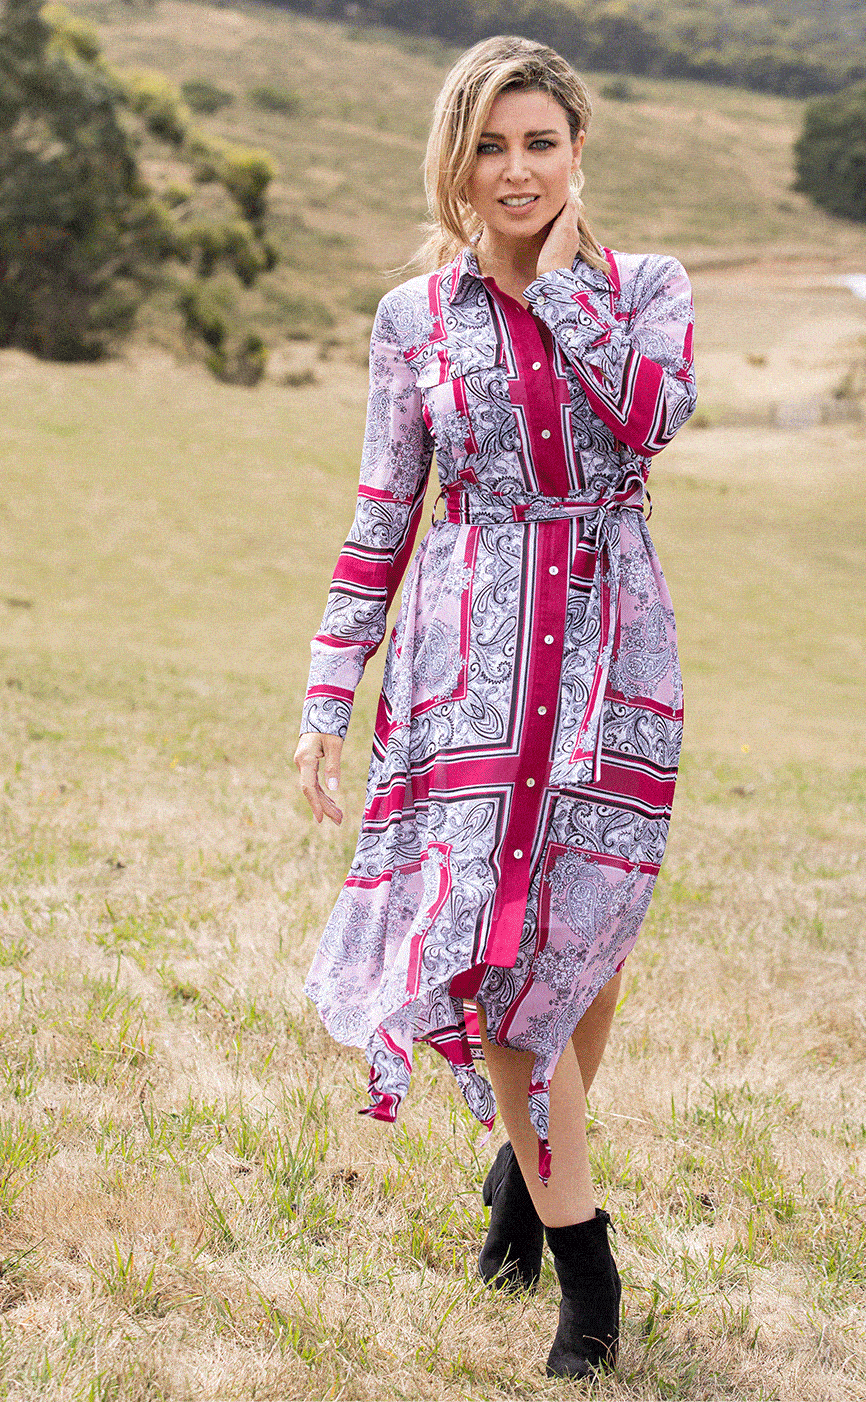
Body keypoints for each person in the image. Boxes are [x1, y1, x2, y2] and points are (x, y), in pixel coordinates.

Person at [293, 33, 696, 1379]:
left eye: (540, 143)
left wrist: (564, 287)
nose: (516, 169)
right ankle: (588, 1274)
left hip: (612, 660)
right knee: (501, 969)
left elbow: (648, 419)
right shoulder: (413, 317)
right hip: (463, 665)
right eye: (489, 146)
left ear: (578, 153)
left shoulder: (645, 287)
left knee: (585, 951)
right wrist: (329, 687)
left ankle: (524, 1179)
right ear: (453, 162)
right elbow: (381, 512)